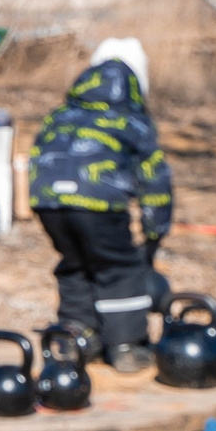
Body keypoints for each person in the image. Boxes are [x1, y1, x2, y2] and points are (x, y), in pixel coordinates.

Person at [30, 37, 173, 370]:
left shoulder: (63, 113)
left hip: (47, 201)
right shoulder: (131, 120)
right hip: (98, 202)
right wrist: (155, 232)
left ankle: (77, 338)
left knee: (76, 263)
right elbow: (155, 181)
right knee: (119, 268)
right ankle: (125, 346)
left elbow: (41, 153)